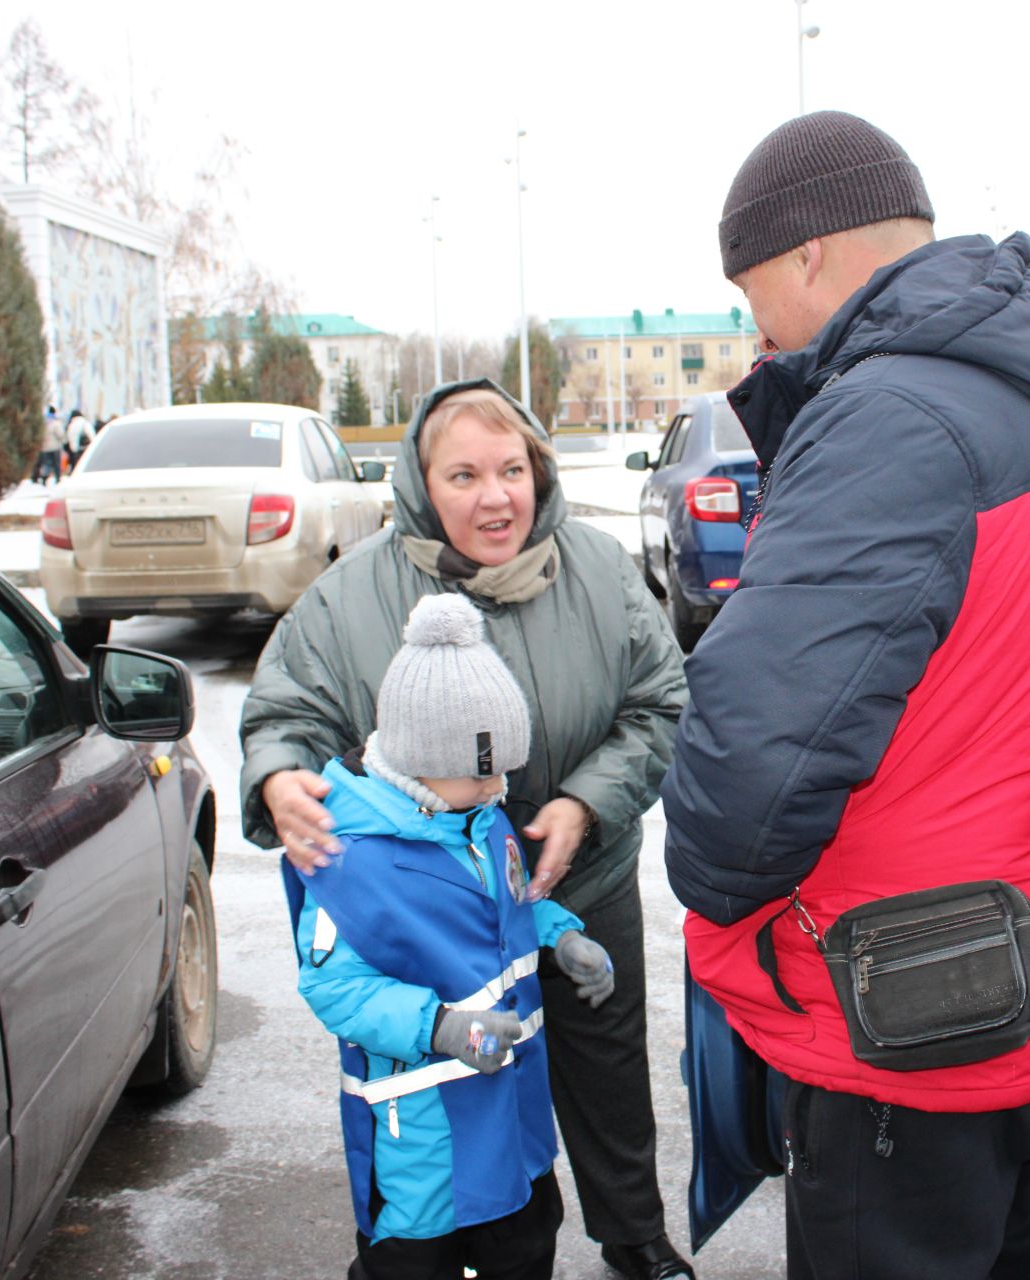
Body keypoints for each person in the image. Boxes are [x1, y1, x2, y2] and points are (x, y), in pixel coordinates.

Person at [662, 111, 1030, 1278]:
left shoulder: (890, 421)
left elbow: (748, 775)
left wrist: (708, 879)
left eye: (751, 293)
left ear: (808, 257)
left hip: (903, 1015)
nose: (755, 330)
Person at [242, 381, 695, 1280]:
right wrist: (278, 777)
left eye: (512, 469)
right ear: (419, 484)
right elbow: (284, 713)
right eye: (464, 475)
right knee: (447, 1082)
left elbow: (661, 704)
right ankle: (419, 1243)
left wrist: (582, 804)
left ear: (540, 471)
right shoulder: (351, 598)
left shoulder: (600, 572)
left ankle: (632, 1233)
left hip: (581, 883)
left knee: (605, 1070)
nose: (496, 496)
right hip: (428, 917)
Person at [285, 592, 618, 1280]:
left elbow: (510, 909)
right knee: (416, 1265)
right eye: (483, 769)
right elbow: (334, 986)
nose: (500, 784)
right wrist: (439, 1026)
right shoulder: (345, 857)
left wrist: (561, 939)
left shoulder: (480, 819)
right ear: (419, 756)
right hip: (422, 1140)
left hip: (512, 1118)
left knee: (527, 1246)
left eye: (502, 768)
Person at [34, 404, 63, 485]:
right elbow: (60, 434)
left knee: (47, 464)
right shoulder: (55, 423)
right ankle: (57, 478)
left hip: (45, 447)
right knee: (56, 464)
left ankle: (44, 477)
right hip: (55, 447)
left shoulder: (44, 422)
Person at [63, 405, 93, 471]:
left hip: (75, 450)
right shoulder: (85, 423)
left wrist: (73, 448)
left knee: (77, 466)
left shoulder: (71, 425)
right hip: (85, 448)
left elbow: (67, 438)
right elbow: (91, 435)